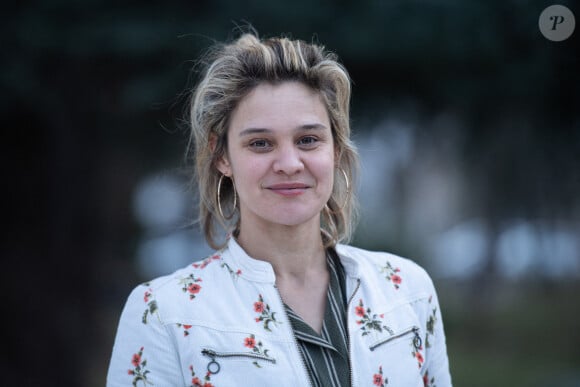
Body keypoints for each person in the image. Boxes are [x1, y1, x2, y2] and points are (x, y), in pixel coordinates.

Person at [107, 30, 452, 387]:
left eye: (308, 140)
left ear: (335, 148)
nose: (289, 163)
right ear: (222, 155)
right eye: (260, 143)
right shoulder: (164, 313)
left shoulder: (407, 290)